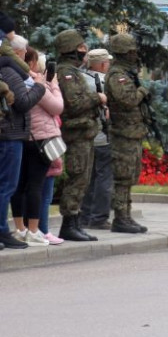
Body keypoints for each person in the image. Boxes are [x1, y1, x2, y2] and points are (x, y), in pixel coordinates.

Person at [54, 29, 105, 243]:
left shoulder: (73, 72)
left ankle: (75, 222)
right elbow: (74, 103)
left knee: (82, 179)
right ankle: (69, 225)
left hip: (83, 132)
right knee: (77, 179)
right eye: (81, 48)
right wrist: (97, 98)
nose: (84, 52)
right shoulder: (66, 73)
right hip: (76, 133)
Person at [9, 48, 63, 246]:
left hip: (23, 136)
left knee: (20, 185)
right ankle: (33, 230)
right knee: (35, 186)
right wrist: (53, 85)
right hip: (41, 140)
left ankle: (20, 228)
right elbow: (57, 106)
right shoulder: (36, 83)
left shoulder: (15, 79)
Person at [104, 33, 152, 234]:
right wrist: (143, 90)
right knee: (122, 177)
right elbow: (128, 100)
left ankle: (126, 215)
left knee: (129, 177)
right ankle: (120, 218)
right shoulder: (118, 75)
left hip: (132, 132)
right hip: (122, 133)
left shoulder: (127, 73)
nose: (135, 55)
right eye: (131, 51)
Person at [79, 48, 113, 230]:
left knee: (88, 178)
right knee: (104, 178)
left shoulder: (80, 80)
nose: (108, 65)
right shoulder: (104, 82)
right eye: (107, 62)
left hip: (85, 136)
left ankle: (84, 216)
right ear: (101, 64)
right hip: (102, 136)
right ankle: (99, 217)